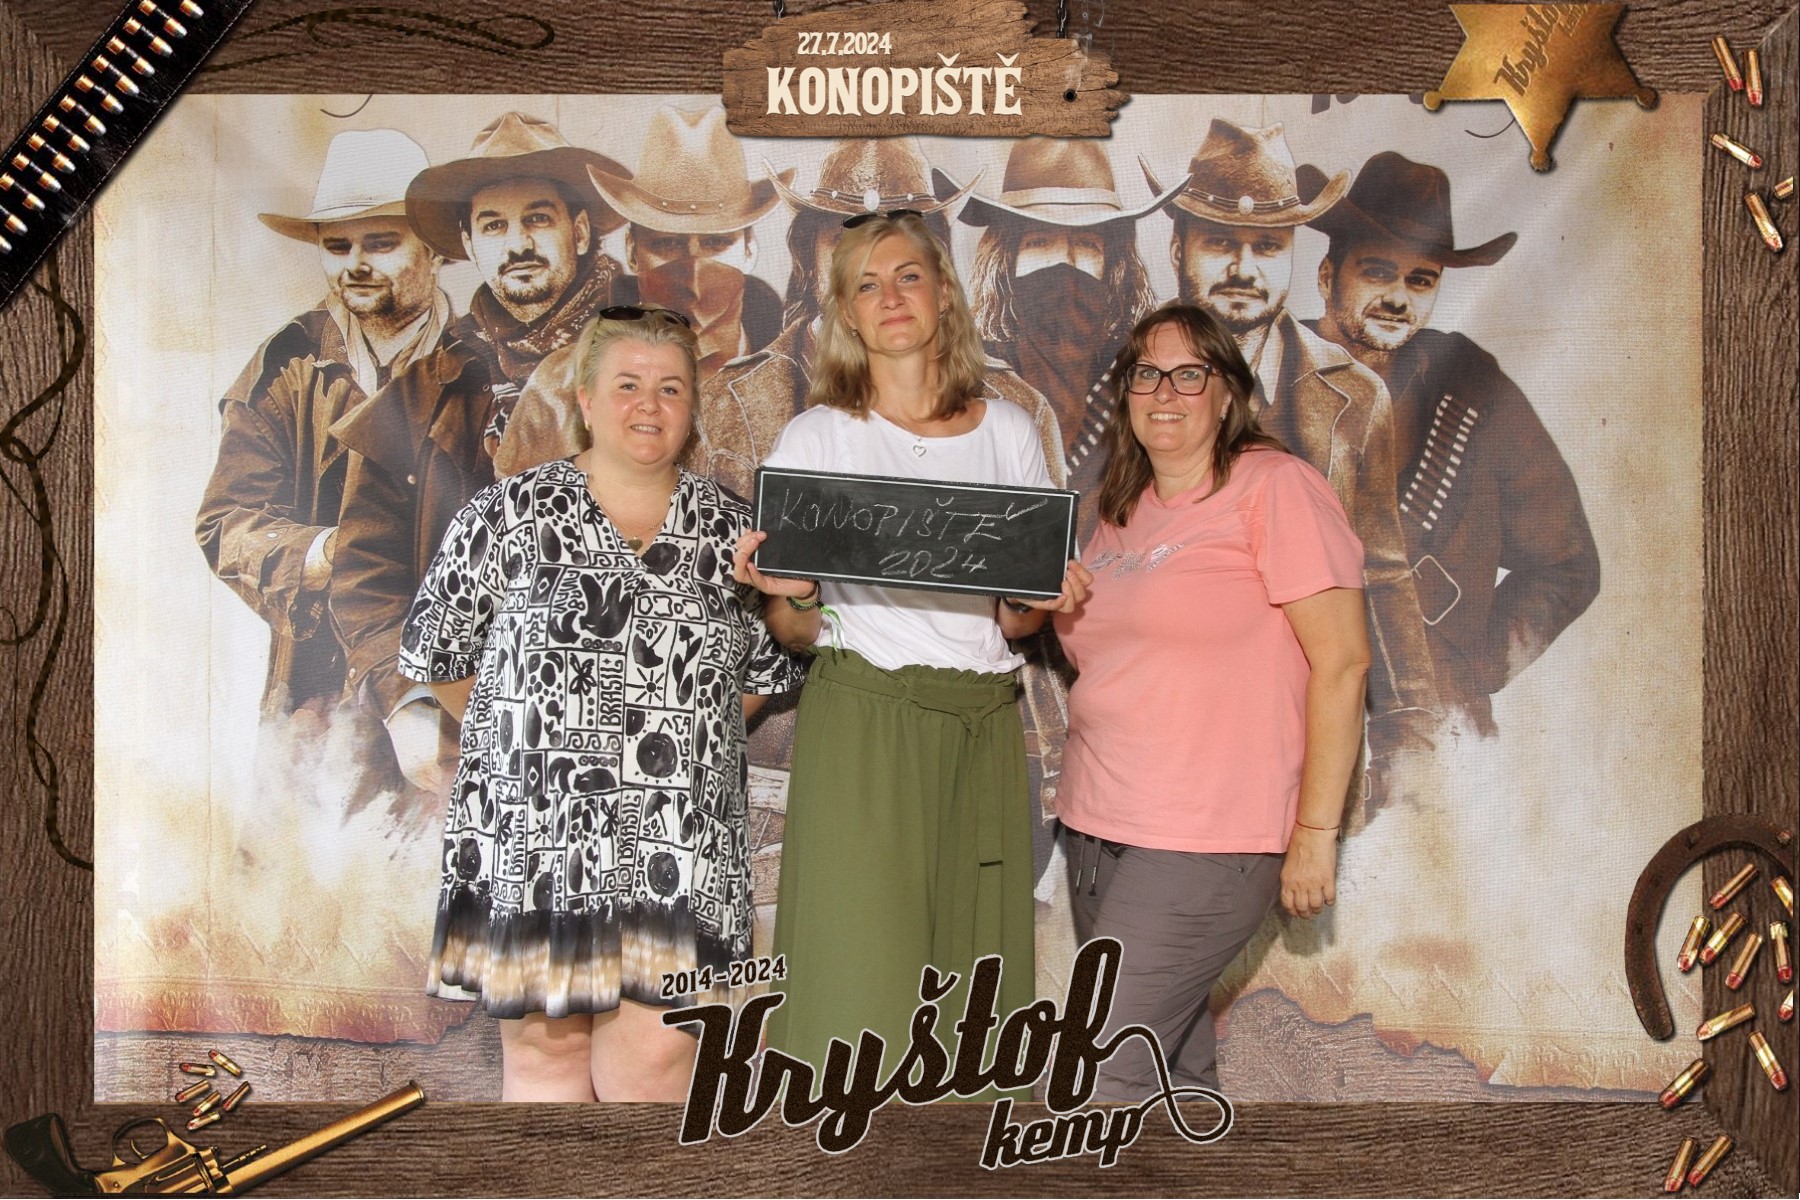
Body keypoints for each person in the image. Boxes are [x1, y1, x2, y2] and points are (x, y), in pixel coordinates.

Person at [396, 307, 803, 1101]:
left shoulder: (737, 532)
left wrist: (678, 741)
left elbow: (758, 674)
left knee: (654, 1071)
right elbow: (441, 656)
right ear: (584, 398)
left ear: (692, 406)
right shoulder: (507, 515)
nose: (649, 405)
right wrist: (528, 740)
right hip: (537, 840)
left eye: (670, 387)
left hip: (679, 845)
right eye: (627, 385)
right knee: (544, 1069)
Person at [730, 212, 1089, 1078]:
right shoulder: (816, 437)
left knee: (971, 989)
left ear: (944, 295)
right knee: (856, 978)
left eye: (908, 276)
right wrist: (790, 593)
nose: (890, 297)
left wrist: (1046, 597)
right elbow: (799, 633)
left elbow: (1016, 621)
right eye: (867, 284)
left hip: (982, 724)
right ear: (847, 314)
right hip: (864, 718)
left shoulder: (1009, 430)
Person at [1052, 303, 1371, 1100]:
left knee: (1099, 1079)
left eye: (1189, 373)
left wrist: (1316, 834)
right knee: (1172, 1081)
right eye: (1146, 374)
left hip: (1208, 838)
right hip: (1097, 831)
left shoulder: (1276, 488)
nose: (1165, 392)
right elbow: (1119, 666)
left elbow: (1343, 664)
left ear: (1228, 393)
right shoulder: (1119, 511)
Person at [332, 112, 631, 801]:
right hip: (467, 732)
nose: (517, 243)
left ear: (580, 230)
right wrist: (408, 700)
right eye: (493, 225)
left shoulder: (652, 358)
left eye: (538, 219)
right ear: (468, 243)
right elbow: (363, 566)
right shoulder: (429, 387)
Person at [1147, 120, 1440, 783]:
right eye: (1220, 242)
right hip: (1170, 735)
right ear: (1177, 248)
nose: (1244, 269)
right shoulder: (1127, 382)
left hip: (1306, 736)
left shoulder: (1354, 395)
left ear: (1295, 256)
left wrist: (1410, 738)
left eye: (1268, 246)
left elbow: (1381, 571)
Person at [1307, 151, 1599, 734]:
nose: (1399, 298)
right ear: (1326, 277)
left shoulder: (1468, 382)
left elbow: (1567, 563)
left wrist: (1470, 671)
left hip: (1436, 739)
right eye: (1377, 272)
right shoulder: (1267, 372)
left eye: (1421, 280)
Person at [196, 128, 449, 724]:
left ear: (435, 249)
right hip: (321, 685)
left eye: (381, 243)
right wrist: (331, 552)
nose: (356, 264)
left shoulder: (483, 358)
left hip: (456, 676)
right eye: (337, 246)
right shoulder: (286, 367)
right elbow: (225, 523)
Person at [947, 137, 1178, 536]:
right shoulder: (963, 381)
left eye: (1086, 245)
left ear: (1114, 267)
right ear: (1006, 262)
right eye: (1039, 243)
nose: (1064, 268)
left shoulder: (1145, 385)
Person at [587, 105, 789, 379]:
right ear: (632, 251)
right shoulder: (576, 377)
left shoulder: (801, 374)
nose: (694, 271)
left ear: (749, 249)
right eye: (667, 244)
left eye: (716, 242)